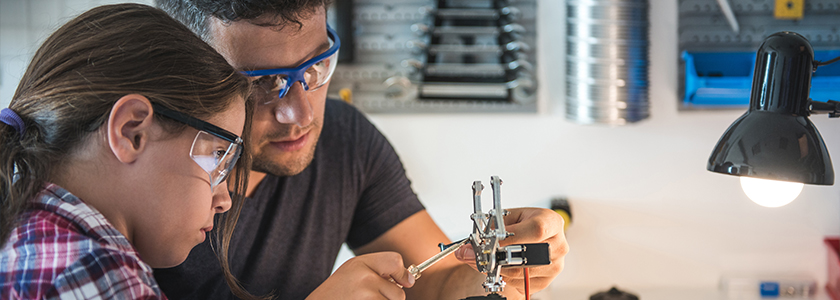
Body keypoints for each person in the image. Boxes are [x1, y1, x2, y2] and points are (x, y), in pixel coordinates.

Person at [153, 1, 569, 299]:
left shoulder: (344, 139)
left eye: (315, 67)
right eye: (260, 83)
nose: (299, 114)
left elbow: (437, 281)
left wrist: (499, 271)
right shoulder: (137, 184)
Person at [0, 3, 290, 299]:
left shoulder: (29, 236)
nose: (224, 200)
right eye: (218, 156)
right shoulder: (94, 271)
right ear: (131, 132)